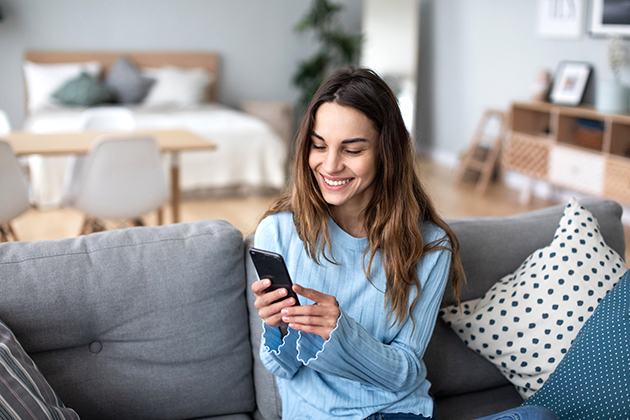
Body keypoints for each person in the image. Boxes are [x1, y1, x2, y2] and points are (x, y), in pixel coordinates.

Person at [251, 67, 558, 420]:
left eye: (351, 150)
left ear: (387, 151)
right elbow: (283, 369)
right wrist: (277, 328)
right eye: (319, 146)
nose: (330, 165)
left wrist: (343, 334)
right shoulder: (279, 232)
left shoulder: (429, 245)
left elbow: (405, 372)